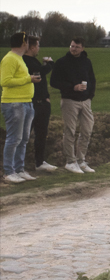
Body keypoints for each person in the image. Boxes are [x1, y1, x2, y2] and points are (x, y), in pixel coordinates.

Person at [51, 36, 97, 174]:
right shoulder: (61, 62)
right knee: (70, 131)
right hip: (69, 100)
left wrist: (90, 95)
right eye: (72, 46)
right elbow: (54, 82)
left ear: (82, 48)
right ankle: (70, 162)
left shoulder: (86, 62)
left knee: (87, 130)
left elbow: (92, 79)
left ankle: (81, 160)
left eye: (76, 47)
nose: (73, 49)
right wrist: (72, 87)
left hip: (85, 101)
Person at [2, 32, 39, 183]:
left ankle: (19, 169)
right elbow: (5, 80)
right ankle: (9, 172)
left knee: (23, 139)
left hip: (26, 102)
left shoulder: (19, 59)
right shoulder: (10, 58)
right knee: (14, 138)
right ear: (23, 43)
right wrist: (28, 79)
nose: (29, 45)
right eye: (28, 42)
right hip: (14, 103)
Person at [23, 36, 56, 173]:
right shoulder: (25, 61)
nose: (38, 49)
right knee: (24, 136)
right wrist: (49, 65)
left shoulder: (34, 61)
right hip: (32, 104)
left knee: (41, 134)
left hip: (42, 104)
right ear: (31, 47)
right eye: (37, 46)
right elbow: (40, 73)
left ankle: (40, 162)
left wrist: (46, 98)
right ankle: (19, 166)